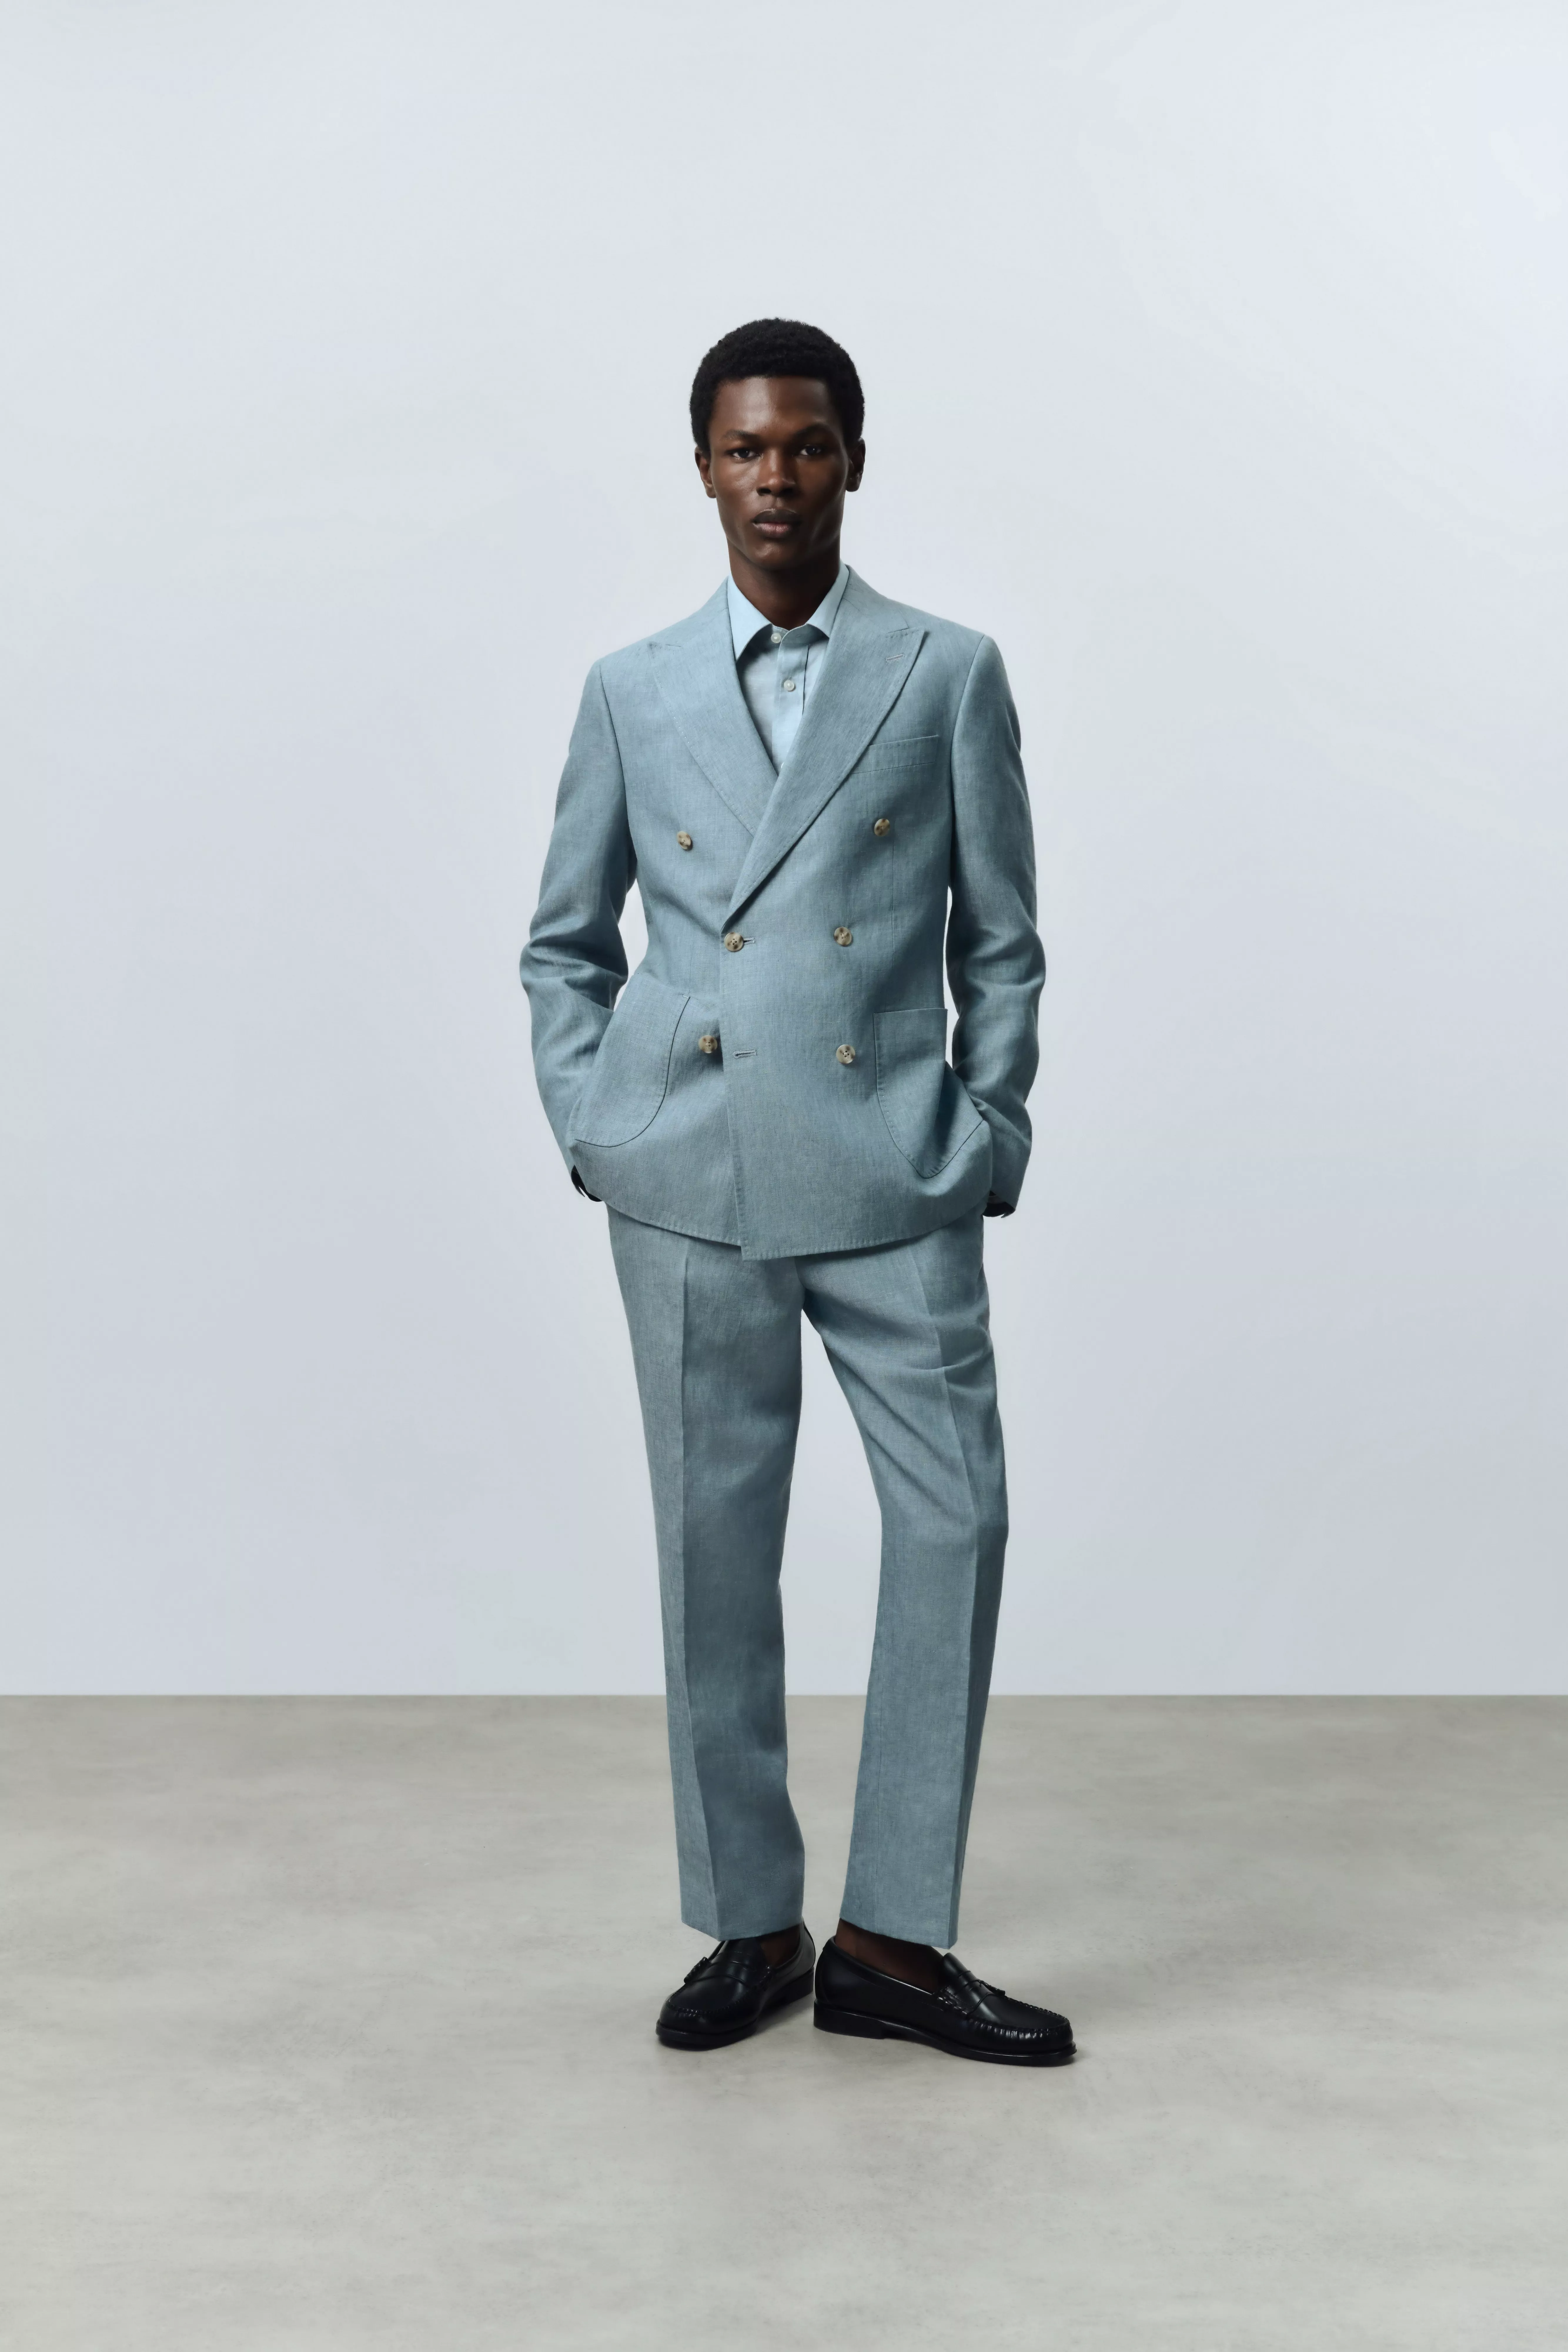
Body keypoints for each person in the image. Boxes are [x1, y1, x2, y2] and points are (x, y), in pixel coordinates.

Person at [521, 319, 1073, 2067]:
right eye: (747, 448)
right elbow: (563, 944)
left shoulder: (946, 670)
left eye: (809, 445)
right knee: (712, 1553)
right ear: (703, 468)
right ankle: (749, 1922)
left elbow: (1002, 939)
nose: (778, 477)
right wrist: (599, 1125)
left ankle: (891, 1939)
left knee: (956, 1524)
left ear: (854, 459)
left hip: (892, 1161)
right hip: (690, 1172)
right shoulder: (631, 687)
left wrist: (984, 1133)